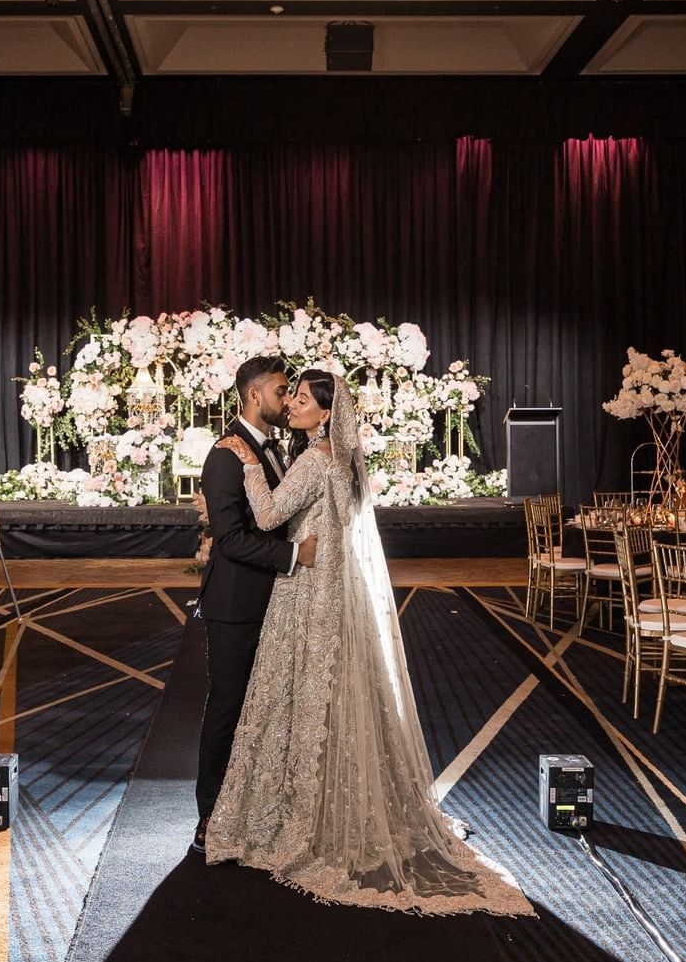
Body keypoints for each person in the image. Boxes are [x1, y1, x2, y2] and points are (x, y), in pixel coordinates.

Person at [203, 369, 532, 916]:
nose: (292, 405)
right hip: (328, 594)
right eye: (289, 394)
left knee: (302, 697)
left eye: (301, 398)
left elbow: (264, 515)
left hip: (308, 592)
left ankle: (298, 813)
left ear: (327, 413)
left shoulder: (308, 459)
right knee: (326, 697)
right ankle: (330, 804)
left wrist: (247, 466)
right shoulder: (341, 463)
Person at [191, 356, 318, 856]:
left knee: (264, 709)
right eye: (282, 391)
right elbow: (229, 538)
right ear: (253, 395)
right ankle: (209, 816)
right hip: (236, 604)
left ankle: (255, 807)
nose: (288, 400)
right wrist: (294, 555)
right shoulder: (226, 454)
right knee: (227, 706)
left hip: (276, 600)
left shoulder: (278, 448)